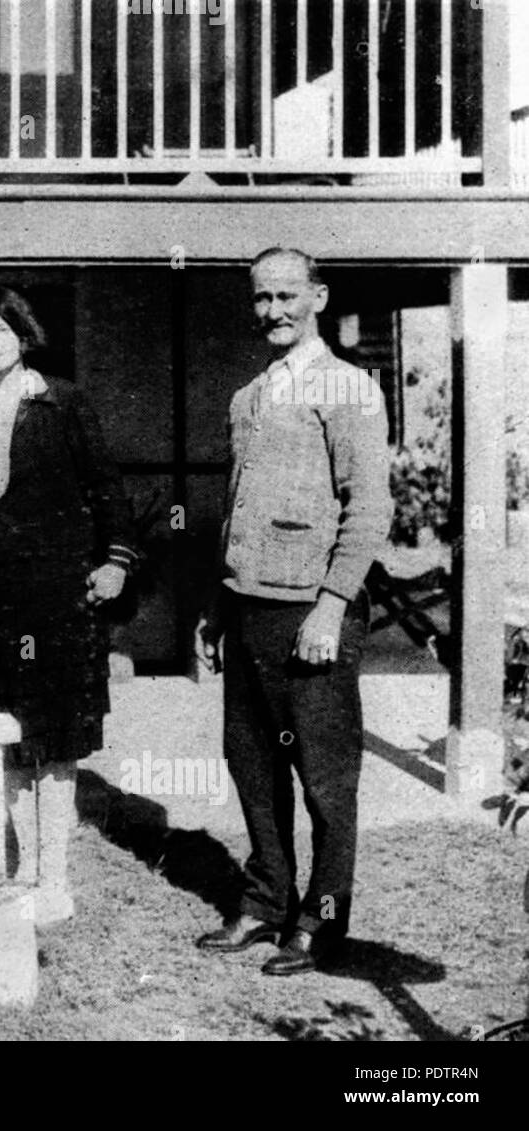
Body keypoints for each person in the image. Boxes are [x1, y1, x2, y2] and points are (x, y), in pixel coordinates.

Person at [195, 247, 391, 975]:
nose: (271, 310)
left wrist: (331, 606)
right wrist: (218, 605)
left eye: (285, 296)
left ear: (318, 297)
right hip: (248, 606)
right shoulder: (249, 396)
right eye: (260, 298)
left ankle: (322, 917)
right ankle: (265, 901)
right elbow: (236, 514)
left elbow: (369, 508)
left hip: (313, 613)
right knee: (251, 762)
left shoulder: (349, 390)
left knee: (325, 776)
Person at [0, 285, 137, 926]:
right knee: (12, 737)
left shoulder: (62, 402)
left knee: (56, 741)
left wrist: (116, 561)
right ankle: (23, 871)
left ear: (23, 335)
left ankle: (55, 878)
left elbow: (107, 486)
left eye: (0, 328)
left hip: (62, 596)